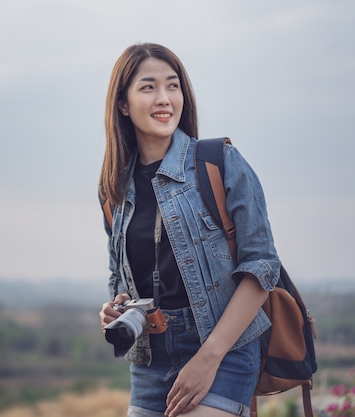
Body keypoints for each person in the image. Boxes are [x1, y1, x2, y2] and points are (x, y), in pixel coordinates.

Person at [97, 43, 281, 417]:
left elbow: (262, 268)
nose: (164, 98)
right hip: (150, 362)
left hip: (224, 350)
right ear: (123, 103)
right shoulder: (113, 189)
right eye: (148, 87)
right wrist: (115, 307)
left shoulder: (219, 162)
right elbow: (121, 277)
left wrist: (207, 359)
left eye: (173, 85)